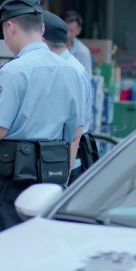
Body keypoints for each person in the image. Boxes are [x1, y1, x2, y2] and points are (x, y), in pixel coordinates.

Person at [0, 0, 88, 237]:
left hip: (15, 179)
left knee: (9, 249)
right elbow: (75, 132)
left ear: (10, 26)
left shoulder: (13, 70)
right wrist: (64, 179)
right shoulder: (71, 70)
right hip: (54, 176)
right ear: (41, 28)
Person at [42, 11, 93, 184]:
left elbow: (76, 129)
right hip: (59, 158)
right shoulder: (63, 66)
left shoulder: (72, 69)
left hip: (66, 160)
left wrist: (65, 172)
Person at [64, 10, 93, 76]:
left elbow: (87, 78)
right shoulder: (52, 46)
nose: (67, 34)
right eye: (65, 30)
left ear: (79, 30)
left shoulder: (83, 52)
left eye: (71, 30)